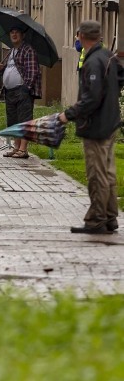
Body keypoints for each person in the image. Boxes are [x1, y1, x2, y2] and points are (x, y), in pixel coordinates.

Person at [58, 20, 124, 234]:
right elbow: (119, 80)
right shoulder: (108, 56)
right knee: (108, 172)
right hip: (110, 122)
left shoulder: (94, 61)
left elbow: (92, 98)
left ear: (80, 35)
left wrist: (68, 115)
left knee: (97, 174)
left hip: (97, 125)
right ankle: (110, 217)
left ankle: (96, 220)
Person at [0, 26, 40, 159]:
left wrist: (27, 88)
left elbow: (33, 70)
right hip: (10, 91)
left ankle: (23, 149)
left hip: (22, 90)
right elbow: (6, 70)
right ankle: (16, 147)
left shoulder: (27, 50)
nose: (14, 35)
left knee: (24, 119)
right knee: (13, 120)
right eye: (11, 32)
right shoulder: (12, 51)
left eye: (17, 32)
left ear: (22, 35)